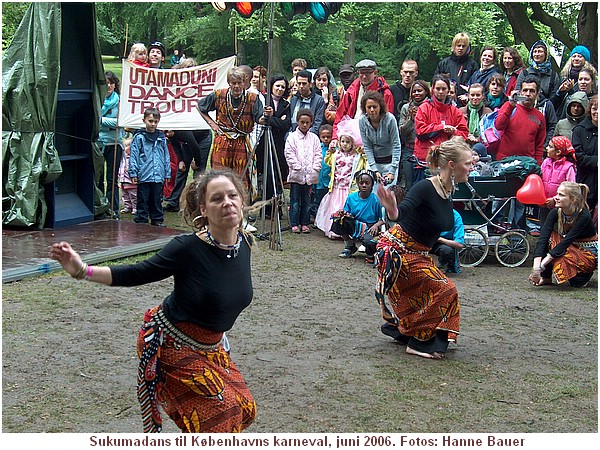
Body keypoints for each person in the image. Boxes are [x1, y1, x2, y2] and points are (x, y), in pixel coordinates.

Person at [49, 169, 258, 433]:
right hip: (171, 343)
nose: (227, 203)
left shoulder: (244, 244)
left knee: (245, 409)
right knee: (222, 413)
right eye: (217, 199)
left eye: (232, 196)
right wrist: (82, 271)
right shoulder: (186, 248)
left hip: (212, 347)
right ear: (203, 210)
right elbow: (138, 272)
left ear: (241, 200)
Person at [375, 137, 472, 359]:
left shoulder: (449, 190)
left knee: (428, 295)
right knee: (445, 290)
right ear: (451, 165)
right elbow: (403, 212)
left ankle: (407, 332)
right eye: (467, 163)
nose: (470, 167)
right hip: (397, 252)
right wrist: (392, 209)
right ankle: (419, 343)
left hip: (419, 254)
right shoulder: (424, 187)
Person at [197, 67, 263, 199]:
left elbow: (259, 118)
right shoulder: (218, 95)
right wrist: (212, 124)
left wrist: (266, 116)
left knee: (241, 177)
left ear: (244, 82)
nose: (237, 86)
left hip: (242, 142)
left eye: (239, 82)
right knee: (219, 176)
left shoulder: (253, 98)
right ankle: (217, 204)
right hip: (223, 141)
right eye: (234, 83)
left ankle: (240, 208)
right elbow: (200, 106)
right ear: (229, 82)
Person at [529, 182, 597, 288]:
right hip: (569, 247)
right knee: (550, 239)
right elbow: (542, 239)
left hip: (586, 252)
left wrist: (541, 266)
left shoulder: (584, 215)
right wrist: (536, 269)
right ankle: (546, 277)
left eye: (561, 195)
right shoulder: (554, 213)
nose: (556, 197)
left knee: (576, 282)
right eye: (557, 194)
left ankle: (584, 274)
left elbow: (566, 242)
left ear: (573, 199)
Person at [315, 119, 368, 239]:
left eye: (347, 142)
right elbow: (328, 162)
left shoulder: (357, 157)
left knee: (347, 209)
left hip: (349, 188)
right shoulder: (336, 155)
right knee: (334, 207)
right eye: (342, 141)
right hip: (336, 187)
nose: (344, 144)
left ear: (353, 143)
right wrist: (329, 152)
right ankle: (334, 229)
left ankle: (348, 230)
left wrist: (363, 154)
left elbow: (365, 164)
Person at [413, 74, 469, 183]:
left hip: (447, 161)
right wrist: (441, 128)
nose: (440, 92)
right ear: (432, 89)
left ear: (448, 90)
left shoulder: (455, 111)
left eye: (444, 89)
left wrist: (454, 131)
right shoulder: (423, 108)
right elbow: (420, 131)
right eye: (438, 88)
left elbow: (464, 133)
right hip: (424, 162)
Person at [331, 59, 394, 142]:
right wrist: (335, 138)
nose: (364, 76)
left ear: (375, 73)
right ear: (358, 73)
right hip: (350, 135)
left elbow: (388, 121)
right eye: (362, 73)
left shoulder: (385, 93)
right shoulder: (352, 90)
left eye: (368, 73)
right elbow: (340, 115)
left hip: (374, 137)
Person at [255, 74, 292, 215]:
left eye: (283, 86)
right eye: (277, 86)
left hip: (279, 144)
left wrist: (273, 119)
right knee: (265, 175)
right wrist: (277, 120)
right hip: (264, 143)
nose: (280, 89)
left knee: (277, 175)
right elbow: (262, 120)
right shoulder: (263, 100)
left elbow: (286, 124)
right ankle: (265, 209)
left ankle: (276, 208)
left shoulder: (286, 104)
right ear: (271, 86)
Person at [130, 107, 171, 226]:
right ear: (144, 120)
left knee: (157, 199)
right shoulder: (139, 137)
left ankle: (157, 219)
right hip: (144, 173)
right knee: (143, 199)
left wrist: (167, 172)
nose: (153, 124)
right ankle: (141, 219)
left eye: (155, 122)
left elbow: (166, 156)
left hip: (158, 175)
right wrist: (133, 172)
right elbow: (134, 155)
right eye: (150, 121)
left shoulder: (161, 137)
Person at [331, 169, 384, 258]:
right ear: (357, 183)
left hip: (370, 228)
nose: (364, 185)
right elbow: (347, 213)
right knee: (338, 220)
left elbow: (383, 219)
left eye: (367, 183)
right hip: (356, 225)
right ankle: (350, 245)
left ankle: (372, 251)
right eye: (361, 183)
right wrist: (342, 212)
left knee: (369, 243)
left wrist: (376, 226)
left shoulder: (376, 200)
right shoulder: (351, 197)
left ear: (372, 185)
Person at [494, 75, 546, 165]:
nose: (528, 94)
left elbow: (539, 145)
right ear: (520, 92)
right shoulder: (509, 106)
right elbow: (498, 125)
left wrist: (538, 165)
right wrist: (511, 106)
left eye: (532, 91)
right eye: (525, 90)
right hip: (504, 161)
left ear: (537, 94)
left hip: (527, 164)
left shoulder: (539, 116)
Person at [284, 108, 322, 234]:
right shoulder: (292, 137)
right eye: (302, 122)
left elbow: (318, 153)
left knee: (307, 200)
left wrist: (315, 167)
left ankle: (305, 222)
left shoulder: (314, 138)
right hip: (296, 175)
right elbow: (289, 153)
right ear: (298, 122)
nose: (305, 125)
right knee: (294, 200)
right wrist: (297, 166)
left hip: (310, 175)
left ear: (311, 123)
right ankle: (294, 223)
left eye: (307, 122)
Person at [358, 90, 402, 186]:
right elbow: (367, 146)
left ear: (380, 107)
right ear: (365, 108)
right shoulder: (362, 121)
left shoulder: (390, 119)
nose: (372, 110)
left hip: (389, 163)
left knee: (388, 195)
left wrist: (392, 171)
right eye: (369, 107)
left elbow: (396, 145)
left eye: (375, 107)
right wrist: (374, 169)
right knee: (373, 195)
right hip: (373, 163)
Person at [96, 71, 124, 219]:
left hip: (114, 143)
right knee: (98, 177)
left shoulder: (119, 101)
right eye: (106, 83)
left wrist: (101, 120)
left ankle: (114, 209)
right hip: (98, 142)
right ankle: (100, 208)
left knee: (112, 178)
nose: (108, 86)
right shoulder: (96, 99)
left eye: (111, 83)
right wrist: (107, 122)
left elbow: (119, 122)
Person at [398, 79, 430, 191]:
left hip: (425, 150)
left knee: (423, 183)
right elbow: (402, 132)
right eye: (414, 91)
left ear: (426, 92)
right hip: (409, 149)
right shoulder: (406, 108)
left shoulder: (430, 107)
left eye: (420, 91)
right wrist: (411, 120)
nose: (417, 93)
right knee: (409, 183)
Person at [540, 136, 577, 225]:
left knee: (557, 227)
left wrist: (555, 199)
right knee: (545, 226)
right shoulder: (546, 162)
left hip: (560, 206)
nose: (547, 148)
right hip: (545, 203)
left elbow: (571, 188)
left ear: (558, 152)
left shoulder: (568, 167)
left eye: (550, 146)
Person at [434, 32, 479, 107]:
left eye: (463, 46)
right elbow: (434, 83)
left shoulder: (472, 65)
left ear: (467, 48)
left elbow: (476, 85)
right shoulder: (444, 64)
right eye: (458, 45)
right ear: (454, 46)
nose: (461, 48)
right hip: (445, 103)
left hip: (465, 104)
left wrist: (468, 95)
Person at [572, 94, 598, 215]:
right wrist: (597, 162)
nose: (597, 112)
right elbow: (578, 155)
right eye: (594, 108)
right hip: (585, 180)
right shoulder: (580, 130)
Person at [515, 40, 561, 105]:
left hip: (546, 110)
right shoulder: (524, 73)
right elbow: (516, 97)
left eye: (540, 51)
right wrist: (529, 99)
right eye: (535, 52)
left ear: (546, 54)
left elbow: (556, 99)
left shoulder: (553, 75)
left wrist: (543, 102)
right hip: (526, 109)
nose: (537, 54)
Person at [289, 69, 326, 135]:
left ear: (310, 84)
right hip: (293, 136)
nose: (301, 86)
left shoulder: (318, 100)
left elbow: (317, 123)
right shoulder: (293, 99)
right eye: (299, 83)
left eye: (304, 83)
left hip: (310, 137)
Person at [430, 209, 465, 274]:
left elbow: (459, 244)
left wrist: (440, 239)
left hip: (442, 243)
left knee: (446, 250)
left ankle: (443, 267)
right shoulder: (428, 212)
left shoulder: (455, 216)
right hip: (426, 240)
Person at [460, 83, 492, 150]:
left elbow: (490, 133)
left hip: (482, 146)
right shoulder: (460, 111)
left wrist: (478, 139)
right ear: (468, 96)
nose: (475, 98)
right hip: (463, 145)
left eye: (478, 95)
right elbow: (457, 130)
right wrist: (467, 136)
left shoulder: (488, 112)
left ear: (483, 96)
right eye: (472, 95)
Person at [312, 124, 333, 220]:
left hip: (329, 182)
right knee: (318, 200)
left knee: (328, 201)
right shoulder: (317, 148)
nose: (325, 139)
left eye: (328, 137)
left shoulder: (334, 150)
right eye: (323, 137)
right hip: (319, 181)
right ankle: (318, 218)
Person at [118, 138, 137, 215]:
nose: (125, 148)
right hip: (123, 180)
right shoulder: (122, 158)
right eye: (125, 146)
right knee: (125, 195)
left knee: (133, 195)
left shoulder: (133, 159)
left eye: (127, 146)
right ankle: (127, 206)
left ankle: (135, 207)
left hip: (130, 181)